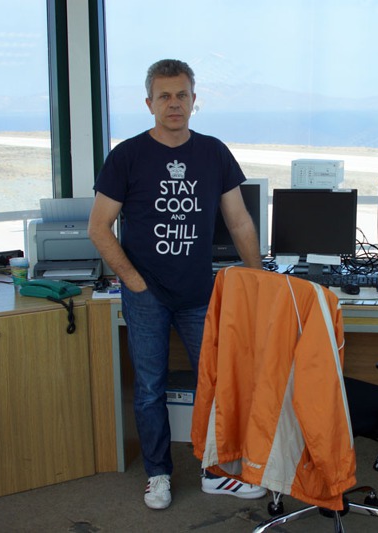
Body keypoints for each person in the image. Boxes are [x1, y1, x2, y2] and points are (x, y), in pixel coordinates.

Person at [88, 59, 266, 510]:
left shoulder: (213, 153)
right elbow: (99, 227)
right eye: (164, 96)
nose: (173, 103)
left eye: (181, 95)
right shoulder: (127, 156)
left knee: (216, 383)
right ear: (149, 103)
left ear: (193, 100)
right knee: (150, 388)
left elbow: (239, 220)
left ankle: (216, 471)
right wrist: (134, 282)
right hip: (145, 295)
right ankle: (158, 475)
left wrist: (258, 277)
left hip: (198, 294)